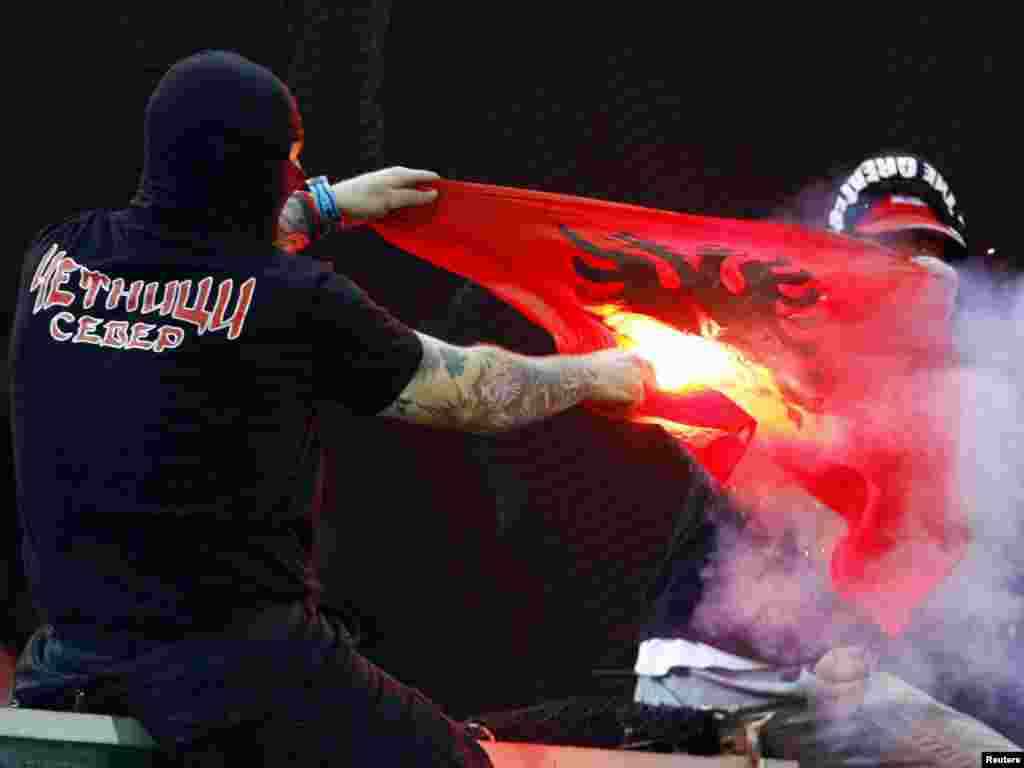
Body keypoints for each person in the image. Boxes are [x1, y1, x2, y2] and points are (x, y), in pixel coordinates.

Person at [7, 50, 655, 767]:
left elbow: (196, 246)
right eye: (289, 159)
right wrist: (594, 375)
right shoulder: (297, 299)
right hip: (241, 677)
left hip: (73, 663)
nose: (294, 174)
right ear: (251, 165)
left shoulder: (60, 257)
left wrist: (328, 206)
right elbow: (471, 392)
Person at [443, 151, 1021, 764]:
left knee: (993, 759)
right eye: (891, 257)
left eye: (930, 257)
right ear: (830, 264)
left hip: (832, 693)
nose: (914, 275)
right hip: (707, 682)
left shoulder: (948, 407)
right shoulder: (762, 359)